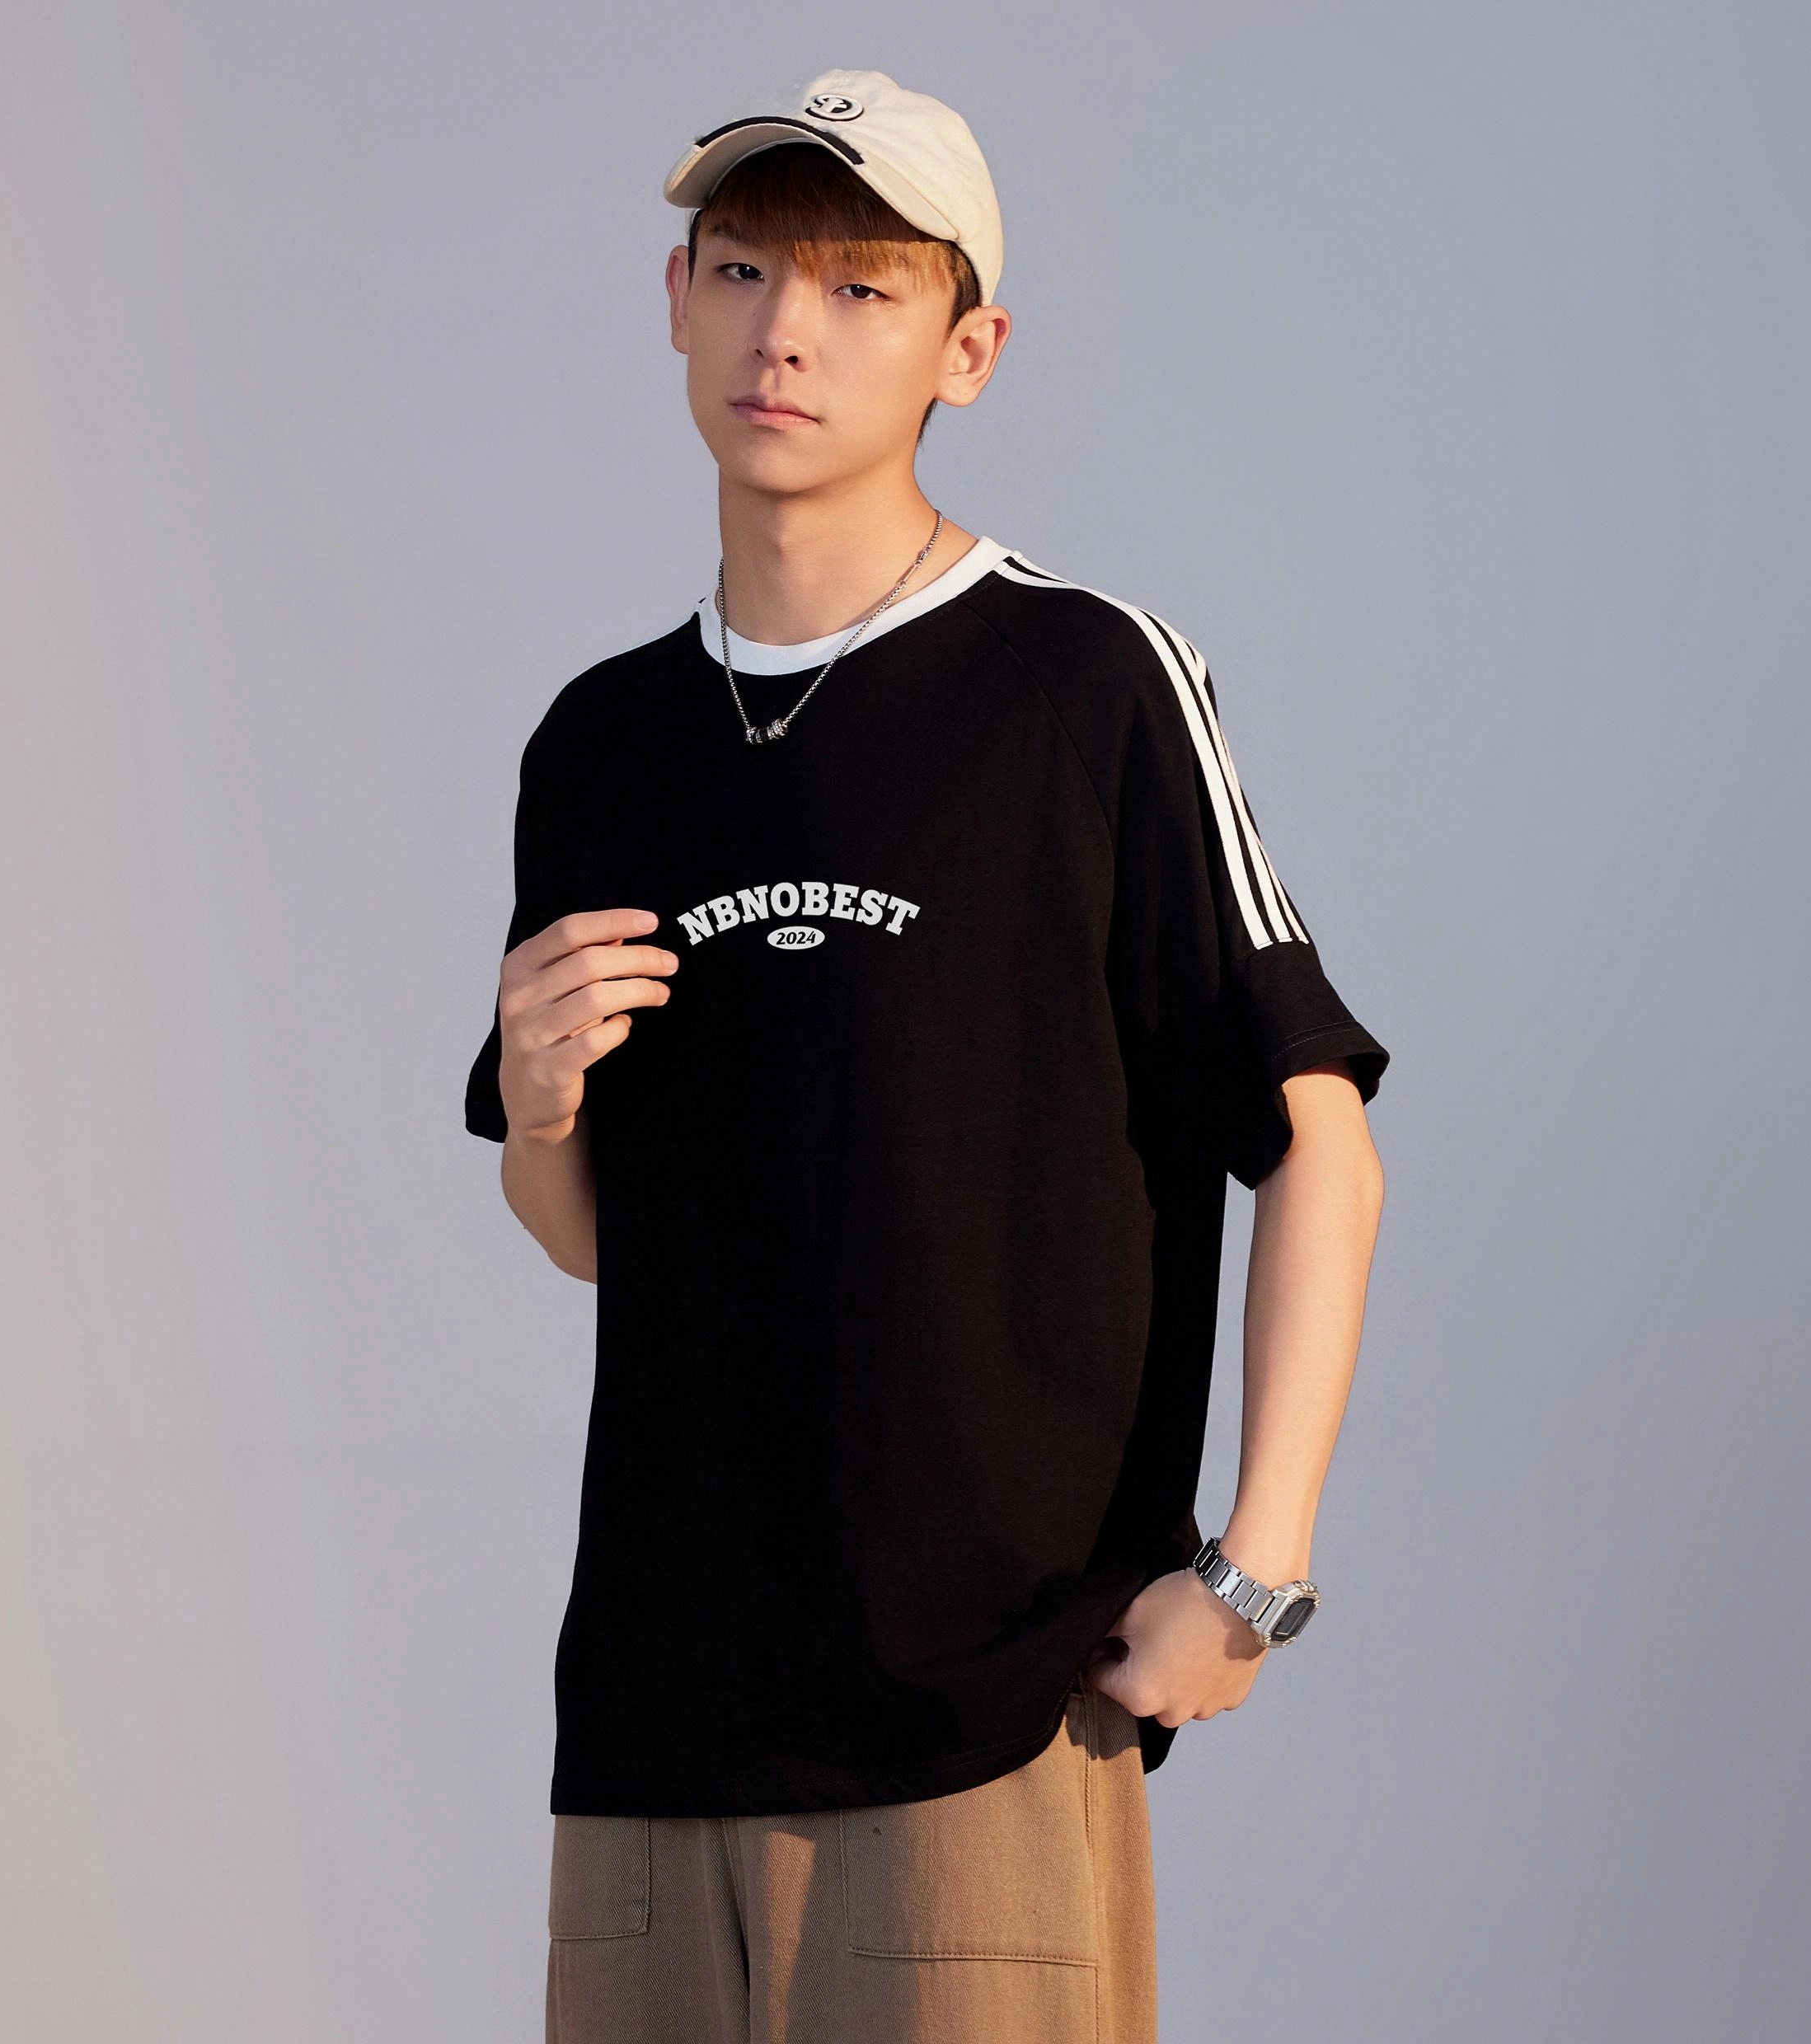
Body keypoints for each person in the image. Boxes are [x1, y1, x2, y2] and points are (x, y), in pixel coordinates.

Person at [463, 67, 1391, 2044]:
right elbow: (613, 1232)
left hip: (978, 1720)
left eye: (860, 287)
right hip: (646, 1722)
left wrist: (1253, 1574)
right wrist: (537, 1108)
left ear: (969, 349)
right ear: (674, 301)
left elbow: (1316, 1135)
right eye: (741, 270)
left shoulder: (1082, 685)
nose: (782, 331)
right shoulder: (603, 743)